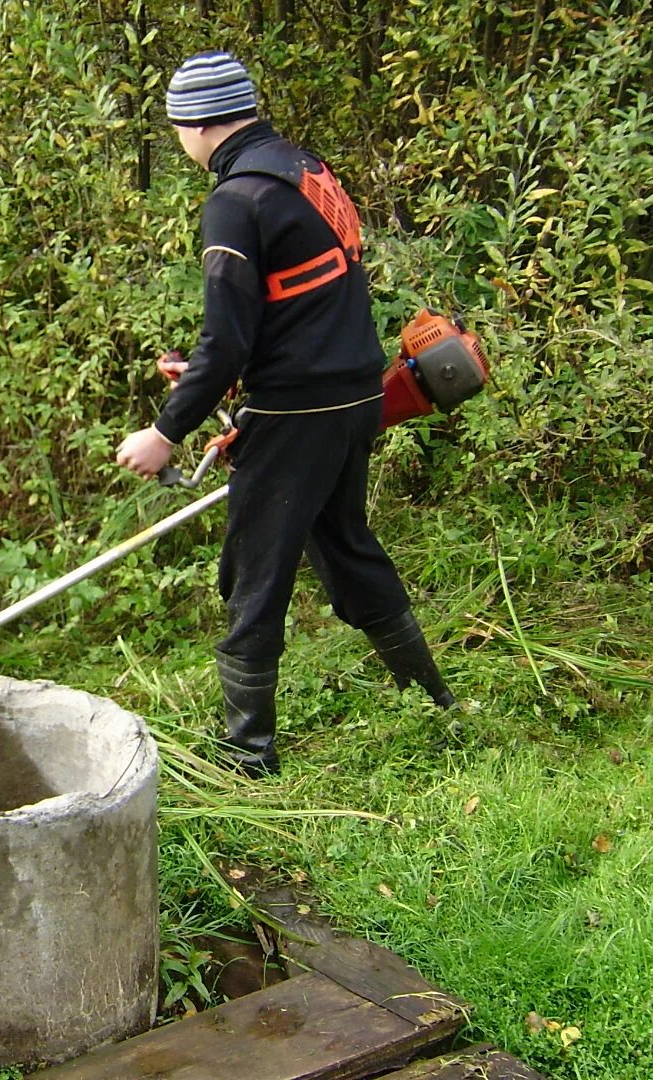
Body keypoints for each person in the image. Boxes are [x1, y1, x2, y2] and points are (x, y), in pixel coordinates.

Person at [115, 51, 454, 776]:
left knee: (255, 573)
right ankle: (433, 705)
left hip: (300, 411)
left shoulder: (235, 200)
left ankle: (247, 757)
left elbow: (227, 338)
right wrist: (223, 378)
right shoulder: (306, 170)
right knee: (346, 546)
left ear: (195, 123)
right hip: (356, 394)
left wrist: (165, 430)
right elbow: (302, 299)